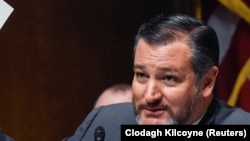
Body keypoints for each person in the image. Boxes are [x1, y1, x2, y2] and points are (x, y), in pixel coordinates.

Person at [62, 13, 250, 141]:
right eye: (142, 75)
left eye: (168, 78)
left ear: (206, 83)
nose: (150, 96)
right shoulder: (105, 123)